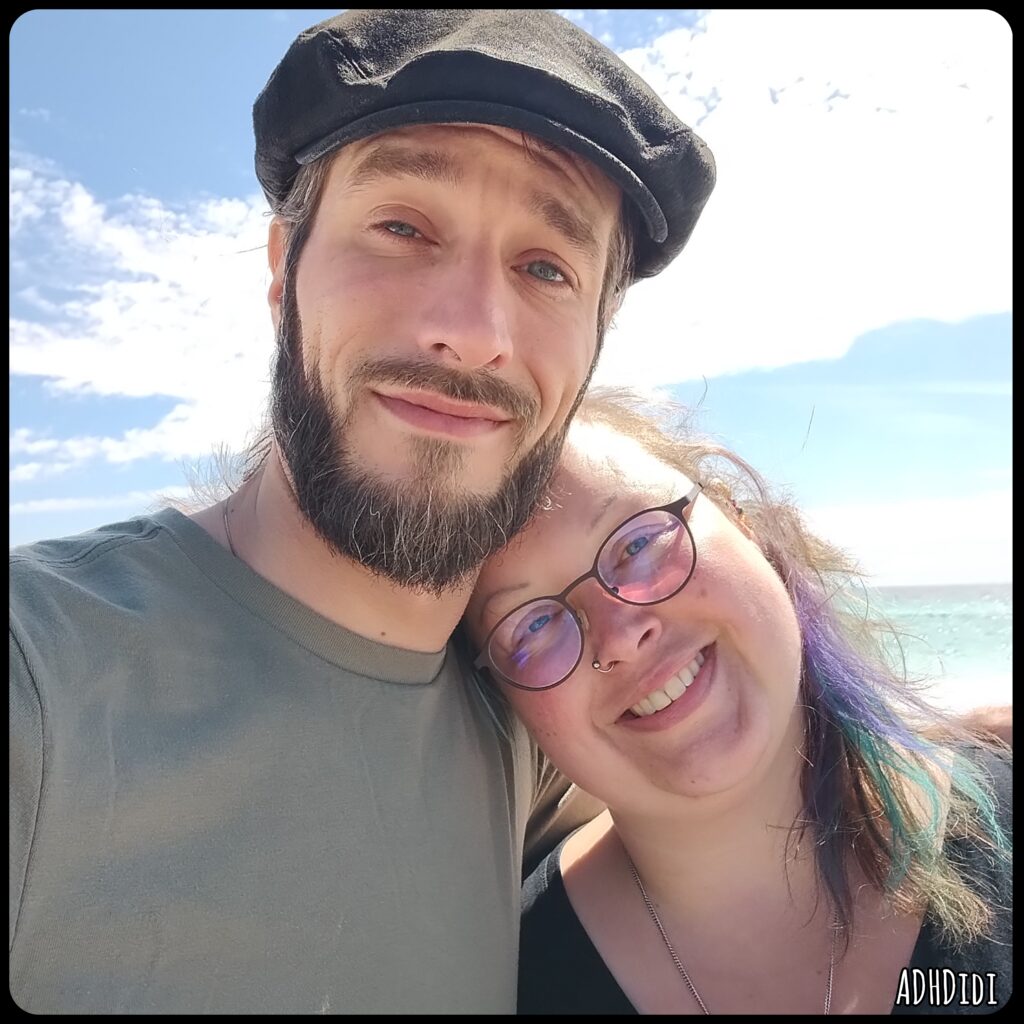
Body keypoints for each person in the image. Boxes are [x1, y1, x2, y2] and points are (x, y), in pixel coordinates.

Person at [8, 9, 718, 1015]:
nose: (470, 331)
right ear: (281, 269)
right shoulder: (41, 674)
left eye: (546, 268)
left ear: (595, 338)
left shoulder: (531, 723)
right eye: (402, 227)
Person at [464, 388, 1012, 1015]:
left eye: (638, 544)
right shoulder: (515, 987)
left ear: (739, 521)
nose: (619, 634)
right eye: (532, 625)